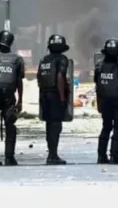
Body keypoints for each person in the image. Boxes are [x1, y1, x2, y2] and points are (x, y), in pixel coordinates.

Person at [0, 30, 25, 166]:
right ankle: (9, 157)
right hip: (9, 98)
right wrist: (20, 100)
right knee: (10, 127)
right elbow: (19, 82)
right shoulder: (17, 60)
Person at [94, 38, 118, 164]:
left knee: (106, 127)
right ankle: (114, 155)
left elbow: (97, 84)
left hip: (104, 101)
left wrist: (99, 102)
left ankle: (101, 156)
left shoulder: (99, 66)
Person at [37, 34, 71, 165]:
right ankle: (53, 155)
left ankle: (51, 153)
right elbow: (60, 77)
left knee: (49, 125)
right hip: (55, 95)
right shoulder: (62, 59)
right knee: (56, 126)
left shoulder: (44, 60)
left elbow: (39, 78)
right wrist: (62, 97)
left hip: (44, 95)